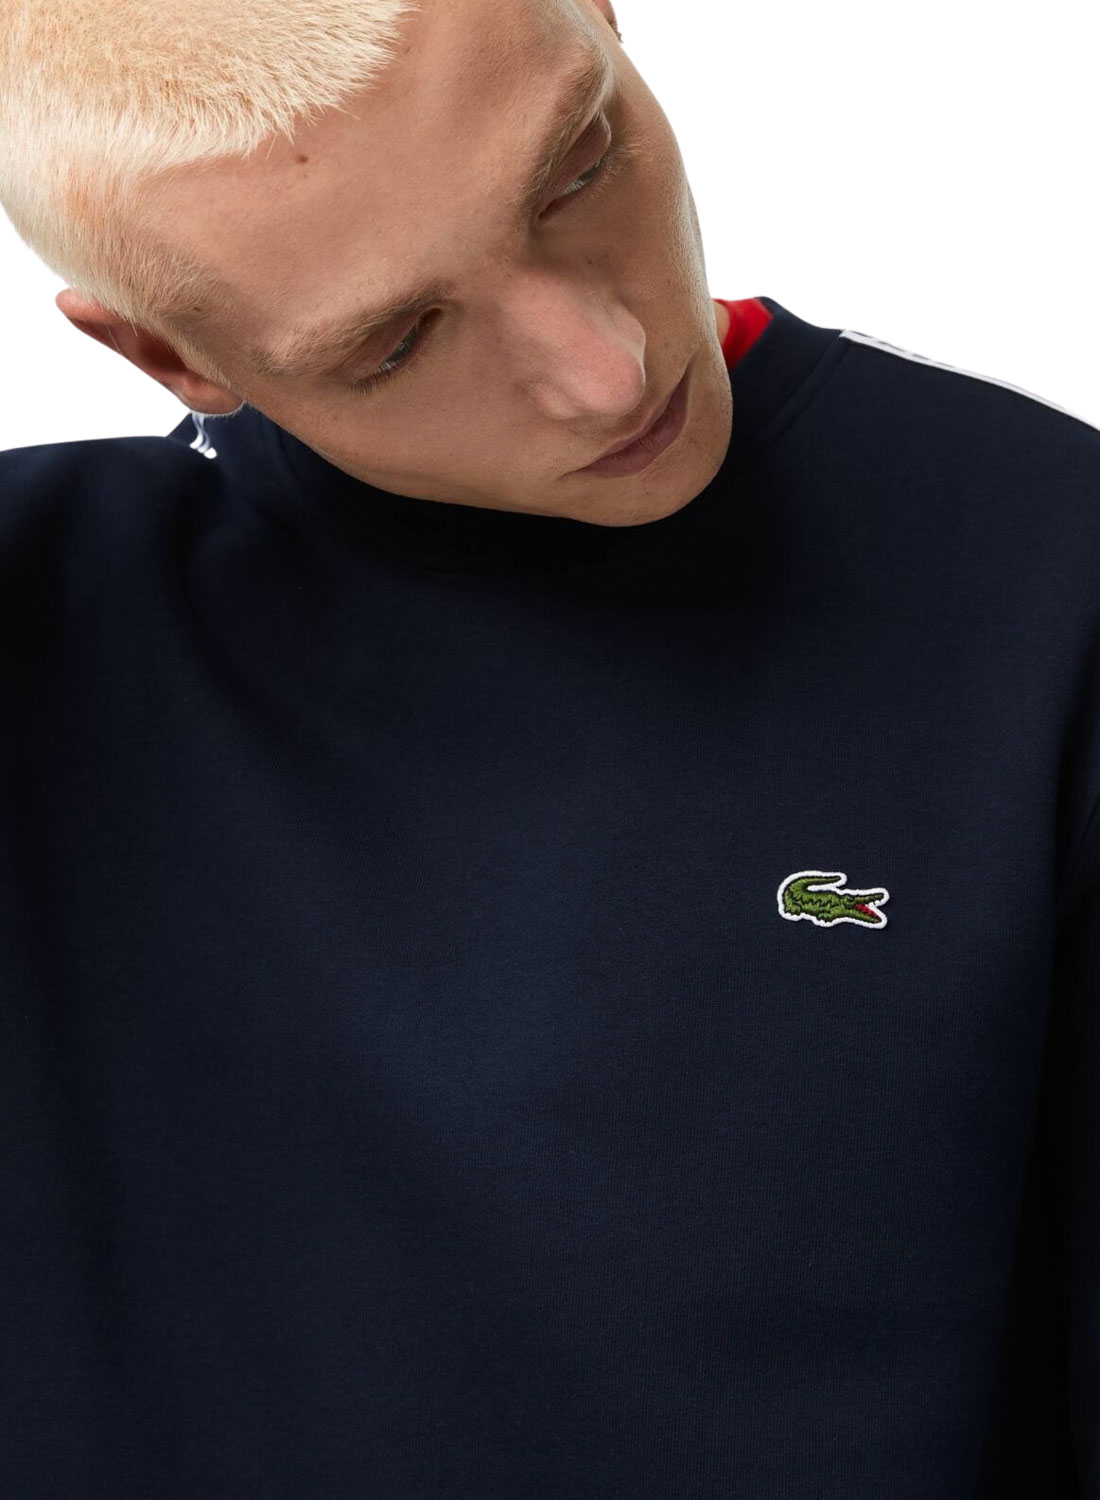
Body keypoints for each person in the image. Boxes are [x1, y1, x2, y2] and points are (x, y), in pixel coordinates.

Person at [1, 0, 1097, 1493]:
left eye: (578, 168)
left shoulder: (1050, 579)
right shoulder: (49, 635)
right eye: (395, 341)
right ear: (161, 351)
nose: (609, 368)